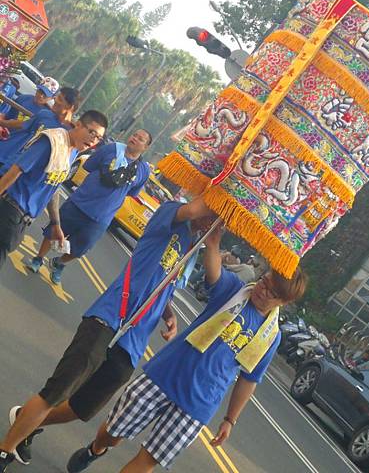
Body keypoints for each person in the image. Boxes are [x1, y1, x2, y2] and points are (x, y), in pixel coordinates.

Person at [65, 225, 307, 473]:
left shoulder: (271, 336)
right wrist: (212, 244)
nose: (262, 291)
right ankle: (96, 449)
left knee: (148, 460)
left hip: (199, 403)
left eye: (271, 293)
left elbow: (249, 379)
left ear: (283, 302)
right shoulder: (235, 291)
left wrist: (229, 420)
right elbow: (214, 274)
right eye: (264, 282)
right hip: (164, 375)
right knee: (114, 431)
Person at [0, 198, 215, 471]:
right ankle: (5, 451)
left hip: (134, 341)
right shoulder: (171, 214)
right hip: (110, 316)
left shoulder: (191, 249)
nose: (211, 220)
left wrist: (168, 314)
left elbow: (161, 284)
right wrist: (225, 195)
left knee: (83, 407)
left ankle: (27, 420)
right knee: (57, 390)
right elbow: (195, 211)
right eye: (213, 212)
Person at [27, 129, 152, 284]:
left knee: (81, 247)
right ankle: (38, 258)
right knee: (55, 231)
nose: (134, 138)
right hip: (80, 202)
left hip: (102, 217)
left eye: (140, 139)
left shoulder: (143, 170)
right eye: (134, 135)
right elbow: (89, 166)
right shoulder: (111, 149)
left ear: (145, 147)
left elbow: (132, 192)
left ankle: (59, 262)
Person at [0, 110, 108, 271]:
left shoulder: (72, 152)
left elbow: (52, 188)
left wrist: (56, 225)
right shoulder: (52, 141)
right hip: (10, 208)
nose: (93, 139)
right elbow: (17, 170)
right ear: (78, 125)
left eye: (98, 137)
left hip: (22, 219)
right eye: (92, 132)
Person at [0, 86, 80, 172]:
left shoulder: (70, 133)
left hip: (32, 173)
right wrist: (2, 122)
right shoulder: (45, 115)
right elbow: (21, 124)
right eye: (57, 96)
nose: (55, 100)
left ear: (70, 107)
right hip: (14, 164)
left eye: (60, 99)